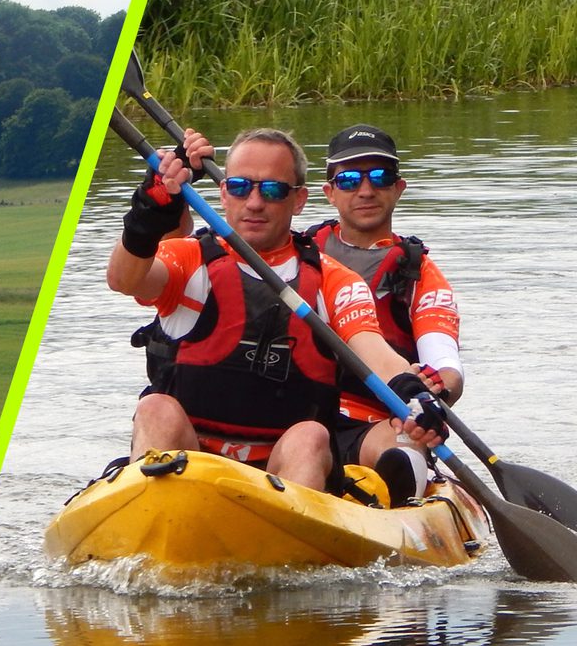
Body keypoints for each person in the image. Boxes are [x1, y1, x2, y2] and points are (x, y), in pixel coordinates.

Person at [107, 126, 443, 490]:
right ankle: (151, 507)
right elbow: (125, 279)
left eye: (272, 190)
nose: (254, 202)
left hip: (284, 468)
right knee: (156, 408)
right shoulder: (188, 258)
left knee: (311, 436)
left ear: (298, 200)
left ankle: (297, 537)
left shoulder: (334, 280)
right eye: (240, 187)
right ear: (223, 193)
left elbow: (373, 352)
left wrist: (415, 394)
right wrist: (146, 217)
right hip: (191, 458)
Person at [304, 124, 462, 500]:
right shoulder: (297, 256)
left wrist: (436, 390)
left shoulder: (418, 272)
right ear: (328, 193)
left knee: (402, 443)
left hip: (379, 423)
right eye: (349, 180)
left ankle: (403, 482)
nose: (365, 190)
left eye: (380, 176)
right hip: (299, 418)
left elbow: (445, 363)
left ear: (398, 187)